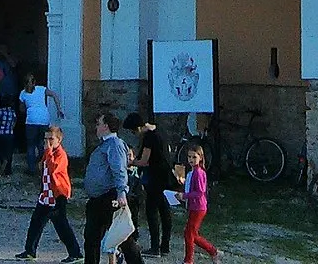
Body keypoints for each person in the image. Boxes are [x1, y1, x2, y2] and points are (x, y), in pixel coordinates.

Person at [15, 121, 82, 262]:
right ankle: (30, 251)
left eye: (51, 139)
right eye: (46, 139)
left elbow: (53, 169)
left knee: (62, 226)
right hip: (46, 195)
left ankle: (75, 253)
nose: (48, 142)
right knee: (36, 223)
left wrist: (49, 152)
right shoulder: (48, 153)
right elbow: (43, 168)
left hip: (58, 196)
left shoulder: (60, 155)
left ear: (59, 139)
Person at [80, 111, 137, 264]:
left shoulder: (115, 144)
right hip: (97, 198)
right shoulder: (104, 145)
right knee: (91, 237)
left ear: (106, 126)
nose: (96, 127)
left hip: (109, 197)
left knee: (122, 236)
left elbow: (119, 170)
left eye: (98, 124)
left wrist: (121, 193)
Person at [127, 112, 172, 257]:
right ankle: (164, 245)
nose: (135, 134)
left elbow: (145, 160)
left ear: (138, 128)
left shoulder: (149, 138)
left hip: (155, 176)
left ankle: (155, 248)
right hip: (165, 174)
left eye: (133, 131)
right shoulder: (159, 131)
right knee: (164, 210)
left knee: (151, 211)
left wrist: (131, 162)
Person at [182, 144, 218, 260]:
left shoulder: (199, 172)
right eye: (189, 157)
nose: (191, 160)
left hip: (199, 207)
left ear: (200, 158)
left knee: (189, 234)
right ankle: (212, 251)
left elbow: (200, 192)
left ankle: (188, 260)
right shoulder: (192, 172)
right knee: (192, 234)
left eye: (194, 157)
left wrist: (185, 195)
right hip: (194, 206)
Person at [19, 72, 62, 170]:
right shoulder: (41, 89)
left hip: (31, 121)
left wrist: (28, 108)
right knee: (42, 144)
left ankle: (31, 169)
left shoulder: (23, 93)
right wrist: (58, 109)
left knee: (30, 146)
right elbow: (54, 95)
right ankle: (44, 166)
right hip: (43, 119)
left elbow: (21, 109)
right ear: (35, 82)